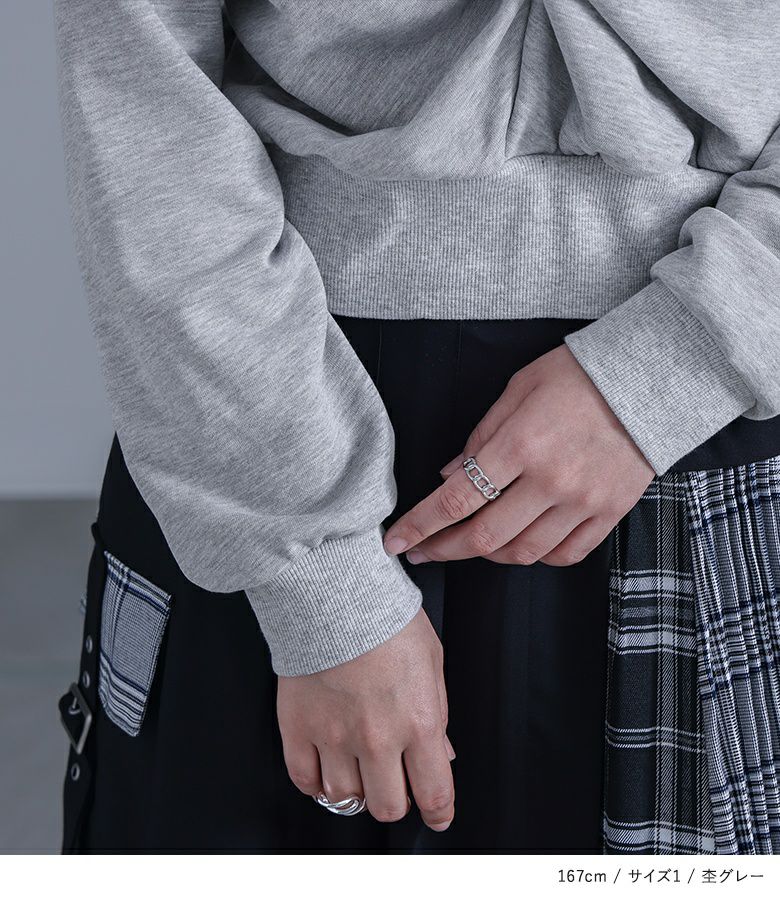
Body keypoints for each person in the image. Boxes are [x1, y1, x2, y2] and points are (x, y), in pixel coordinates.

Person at [54, 1, 780, 853]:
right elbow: (144, 99)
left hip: (719, 395)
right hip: (266, 416)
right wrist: (323, 589)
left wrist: (680, 363)